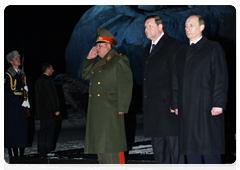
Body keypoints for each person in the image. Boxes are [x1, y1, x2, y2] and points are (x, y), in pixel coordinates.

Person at [170, 15, 228, 170]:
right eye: (186, 26)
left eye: (191, 25)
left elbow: (220, 77)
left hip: (207, 109)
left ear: (202, 27)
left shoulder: (213, 48)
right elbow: (175, 81)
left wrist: (218, 103)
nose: (187, 29)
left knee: (210, 151)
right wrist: (175, 103)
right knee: (191, 152)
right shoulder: (181, 52)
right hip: (187, 111)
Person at [81, 27, 133, 170]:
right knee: (102, 151)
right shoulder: (98, 62)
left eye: (100, 46)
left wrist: (122, 107)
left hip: (111, 110)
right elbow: (85, 75)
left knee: (113, 148)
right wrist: (89, 58)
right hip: (98, 112)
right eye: (96, 45)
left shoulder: (118, 60)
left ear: (108, 46)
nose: (97, 48)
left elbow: (126, 84)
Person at [142, 15, 185, 170]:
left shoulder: (173, 45)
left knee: (175, 151)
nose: (146, 30)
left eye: (150, 26)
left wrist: (176, 102)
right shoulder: (147, 49)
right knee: (160, 153)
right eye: (145, 27)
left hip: (169, 109)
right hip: (154, 111)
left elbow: (177, 76)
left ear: (160, 27)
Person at [4, 50, 30, 157]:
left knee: (22, 130)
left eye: (19, 58)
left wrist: (27, 94)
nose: (18, 60)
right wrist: (20, 102)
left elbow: (27, 89)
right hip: (12, 107)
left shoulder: (22, 74)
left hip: (22, 106)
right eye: (16, 58)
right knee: (13, 131)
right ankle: (13, 154)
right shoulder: (7, 75)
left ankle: (22, 154)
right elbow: (6, 93)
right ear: (11, 61)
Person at [35, 63, 61, 158]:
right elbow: (51, 96)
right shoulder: (47, 80)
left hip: (42, 111)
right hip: (49, 110)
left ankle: (41, 150)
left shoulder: (38, 80)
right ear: (47, 69)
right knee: (50, 130)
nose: (53, 70)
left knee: (43, 130)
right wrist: (56, 109)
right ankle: (48, 149)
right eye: (51, 68)